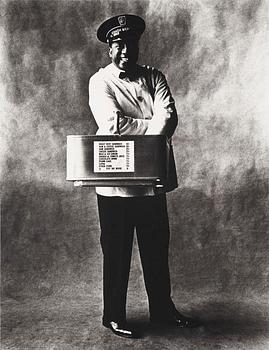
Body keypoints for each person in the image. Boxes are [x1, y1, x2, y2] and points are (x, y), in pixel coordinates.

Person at [88, 14, 199, 338]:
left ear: (137, 45)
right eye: (119, 44)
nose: (126, 50)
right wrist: (152, 129)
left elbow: (170, 116)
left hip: (152, 183)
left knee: (155, 248)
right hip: (116, 186)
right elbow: (111, 126)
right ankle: (113, 315)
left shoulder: (154, 76)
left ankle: (162, 311)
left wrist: (144, 126)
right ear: (110, 48)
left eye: (131, 43)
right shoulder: (100, 82)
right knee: (117, 250)